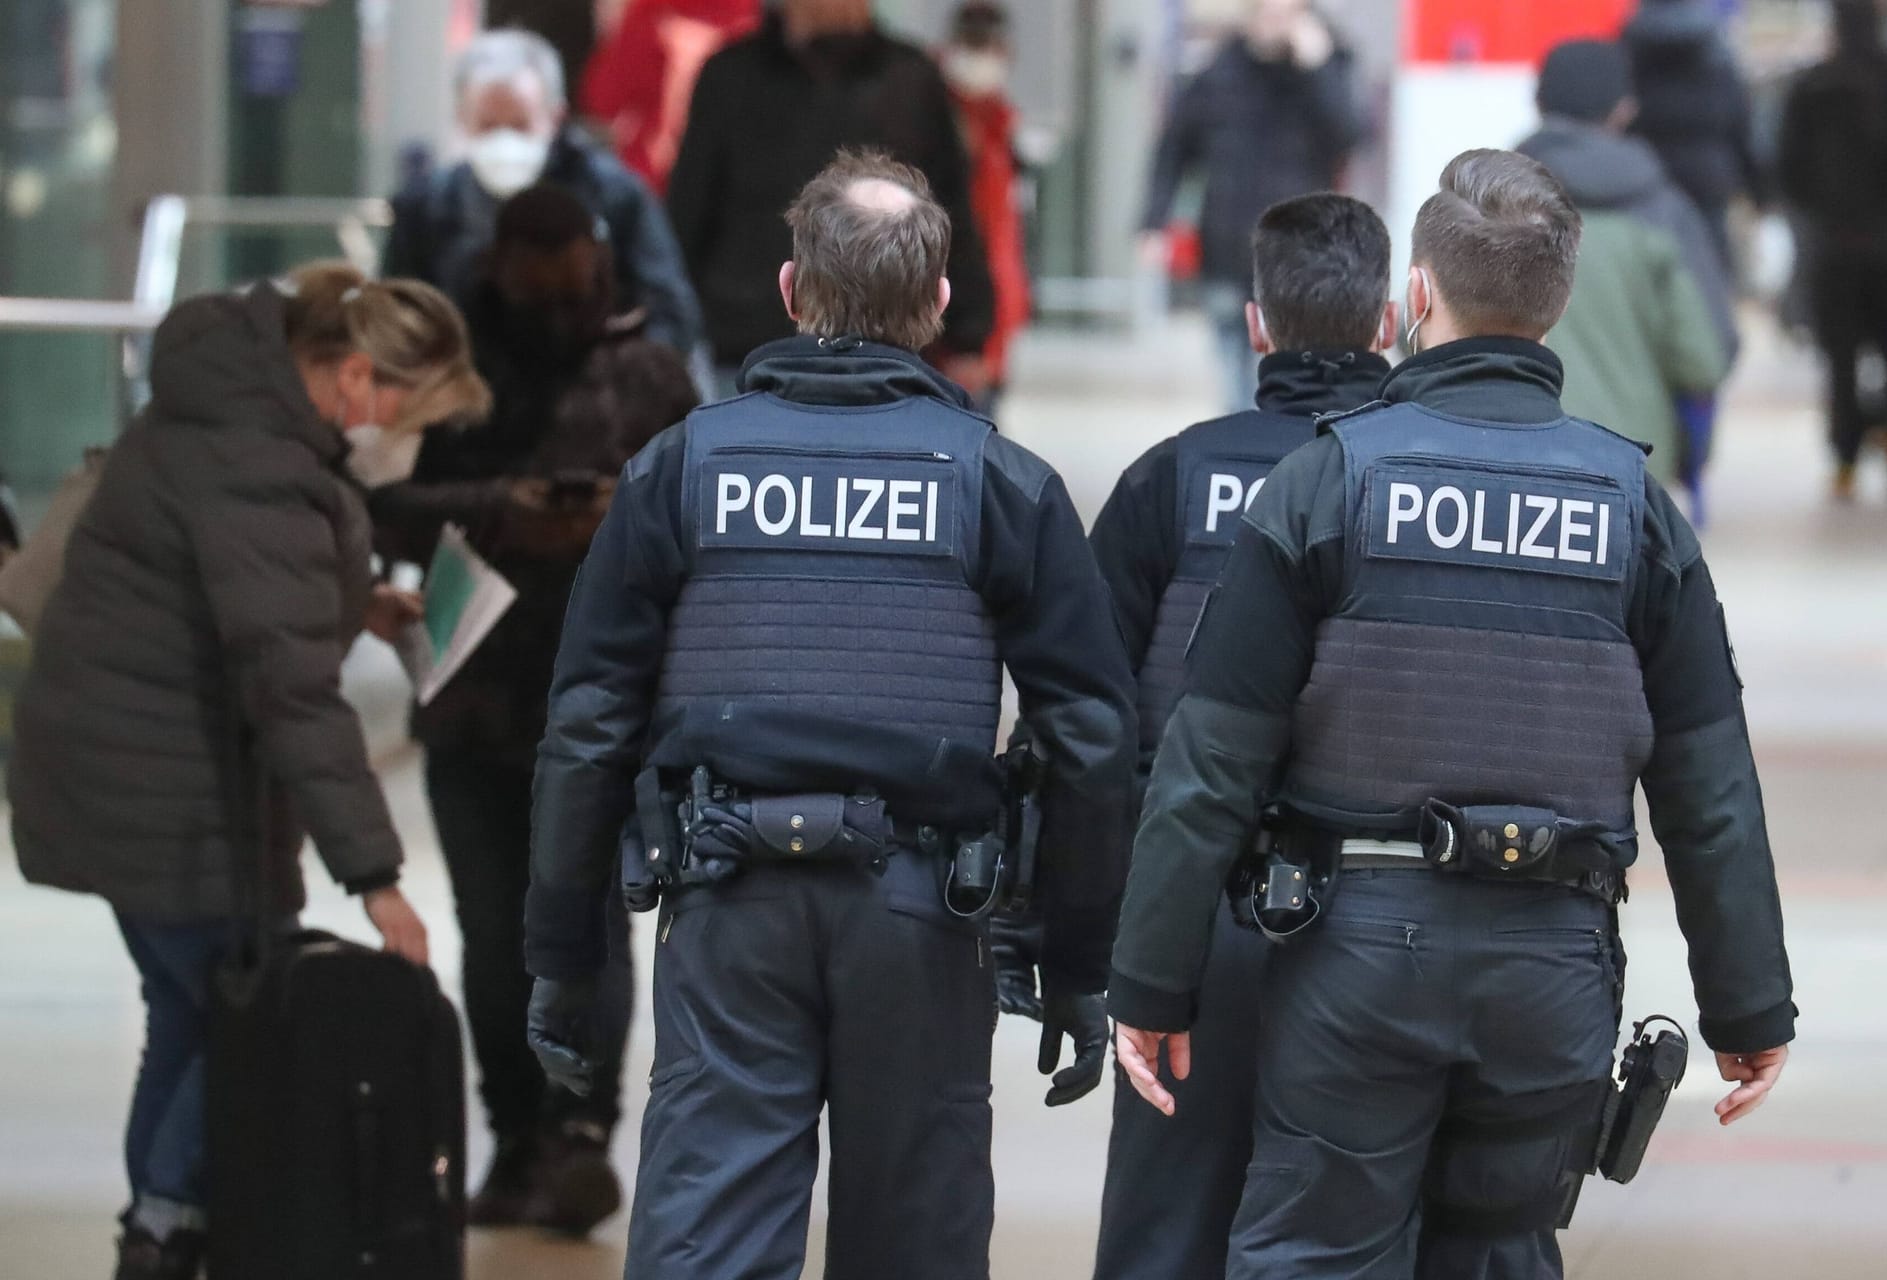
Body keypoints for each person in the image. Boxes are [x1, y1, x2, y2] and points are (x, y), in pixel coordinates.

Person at [1109, 150, 1796, 1278]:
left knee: (1315, 1252)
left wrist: (1151, 978)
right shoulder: (1634, 509)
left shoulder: (1329, 482)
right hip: (1554, 966)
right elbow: (1708, 782)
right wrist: (1748, 1001)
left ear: (1416, 297)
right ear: (1558, 299)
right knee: (1500, 1250)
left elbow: (1210, 761)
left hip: (1353, 956)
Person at [522, 151, 1134, 1280]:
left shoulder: (681, 469)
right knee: (916, 1233)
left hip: (724, 900)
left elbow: (589, 722)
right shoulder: (1000, 482)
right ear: (942, 303)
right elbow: (1092, 738)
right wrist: (1077, 954)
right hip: (920, 909)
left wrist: (562, 951)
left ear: (793, 290)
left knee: (711, 1226)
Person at [7, 264, 490, 1280]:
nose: (411, 441)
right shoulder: (258, 454)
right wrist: (377, 875)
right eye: (411, 411)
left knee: (190, 1012)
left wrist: (358, 603)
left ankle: (161, 1226)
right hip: (169, 785)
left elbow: (220, 580)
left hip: (118, 761)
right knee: (244, 1012)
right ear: (355, 376)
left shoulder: (229, 401)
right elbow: (289, 687)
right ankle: (166, 1227)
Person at [368, 185, 700, 1236]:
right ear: (498, 272)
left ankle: (577, 1134)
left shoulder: (649, 369)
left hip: (610, 703)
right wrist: (500, 509)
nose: (559, 309)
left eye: (575, 287)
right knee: (494, 929)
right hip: (473, 690)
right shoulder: (449, 378)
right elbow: (377, 504)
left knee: (589, 924)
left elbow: (707, 510)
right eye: (538, 287)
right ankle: (516, 1132)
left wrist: (615, 515)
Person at [1082, 193, 1396, 1280]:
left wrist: (1092, 927)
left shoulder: (1170, 478)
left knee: (1165, 1225)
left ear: (1256, 322)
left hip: (1197, 914)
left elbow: (1091, 718)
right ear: (1391, 322)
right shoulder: (1411, 481)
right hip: (1382, 920)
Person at [667, 0, 997, 394]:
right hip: (747, 340)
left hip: (885, 344)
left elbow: (950, 211)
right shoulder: (730, 75)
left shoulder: (911, 77)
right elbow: (687, 208)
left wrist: (969, 333)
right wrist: (670, 329)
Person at [384, 28, 703, 353]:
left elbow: (671, 313)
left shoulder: (615, 196)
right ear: (462, 119)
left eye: (520, 124)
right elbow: (393, 317)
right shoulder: (424, 207)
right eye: (488, 125)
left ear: (555, 117)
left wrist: (614, 380)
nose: (504, 140)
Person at [1520, 39, 1731, 497]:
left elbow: (1423, 331)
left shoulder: (1488, 206)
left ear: (1538, 101)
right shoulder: (1665, 211)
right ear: (1623, 109)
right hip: (1633, 465)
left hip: (1512, 459)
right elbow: (1704, 358)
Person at [1139, 0, 1366, 410]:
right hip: (1228, 249)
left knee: (1293, 378)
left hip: (1301, 260)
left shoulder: (1328, 66)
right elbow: (1174, 149)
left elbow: (1350, 135)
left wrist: (1318, 68)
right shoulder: (1219, 72)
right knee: (1235, 385)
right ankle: (1247, 459)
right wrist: (1154, 221)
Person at [1776, 0, 1887, 500]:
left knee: (1840, 358)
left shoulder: (1812, 86)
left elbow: (1788, 168)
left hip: (1834, 245)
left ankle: (1844, 457)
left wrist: (1817, 216)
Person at [1622, 0, 1765, 266]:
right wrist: (1759, 189)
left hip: (1648, 175)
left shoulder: (1629, 44)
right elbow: (1738, 121)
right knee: (1709, 268)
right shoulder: (1714, 46)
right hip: (1708, 176)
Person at [940, 0, 1031, 418]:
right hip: (950, 323)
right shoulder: (934, 122)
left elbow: (1001, 232)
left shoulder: (999, 124)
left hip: (992, 314)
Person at [581, 0, 763, 195]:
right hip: (725, 188)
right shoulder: (759, 21)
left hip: (649, 182)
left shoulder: (651, 10)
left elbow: (603, 99)